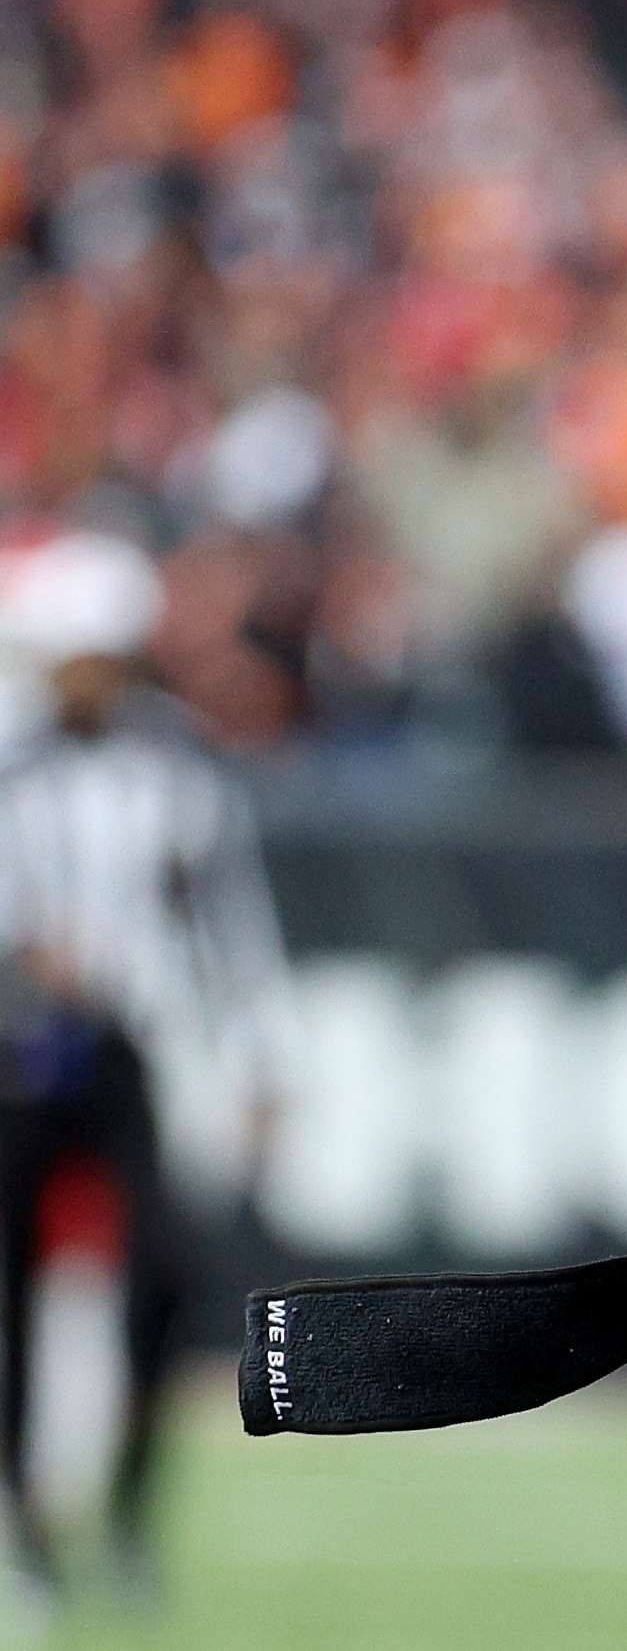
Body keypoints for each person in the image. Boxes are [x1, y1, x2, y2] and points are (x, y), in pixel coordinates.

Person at [0, 529, 290, 1620]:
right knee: (10, 1292)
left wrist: (262, 1052)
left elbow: (228, 922)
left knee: (160, 1280)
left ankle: (125, 1513)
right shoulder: (13, 757)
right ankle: (28, 1523)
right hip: (15, 1049)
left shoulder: (176, 764)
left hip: (132, 1049)